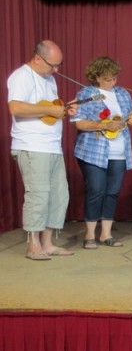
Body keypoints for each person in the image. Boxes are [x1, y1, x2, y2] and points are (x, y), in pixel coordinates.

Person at [7, 40, 77, 260]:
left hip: (52, 146)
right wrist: (51, 109)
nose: (56, 70)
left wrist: (65, 110)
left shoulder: (50, 80)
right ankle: (33, 245)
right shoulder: (21, 76)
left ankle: (47, 242)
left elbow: (51, 110)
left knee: (59, 194)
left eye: (59, 65)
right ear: (38, 58)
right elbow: (15, 107)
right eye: (52, 65)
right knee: (38, 194)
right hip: (31, 145)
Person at [70, 56, 132, 249]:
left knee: (112, 192)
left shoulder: (122, 93)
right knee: (96, 191)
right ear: (97, 77)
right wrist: (104, 124)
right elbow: (80, 123)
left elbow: (131, 113)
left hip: (119, 151)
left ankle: (106, 234)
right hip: (93, 150)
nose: (112, 82)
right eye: (108, 78)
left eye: (114, 78)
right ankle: (90, 234)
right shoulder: (87, 93)